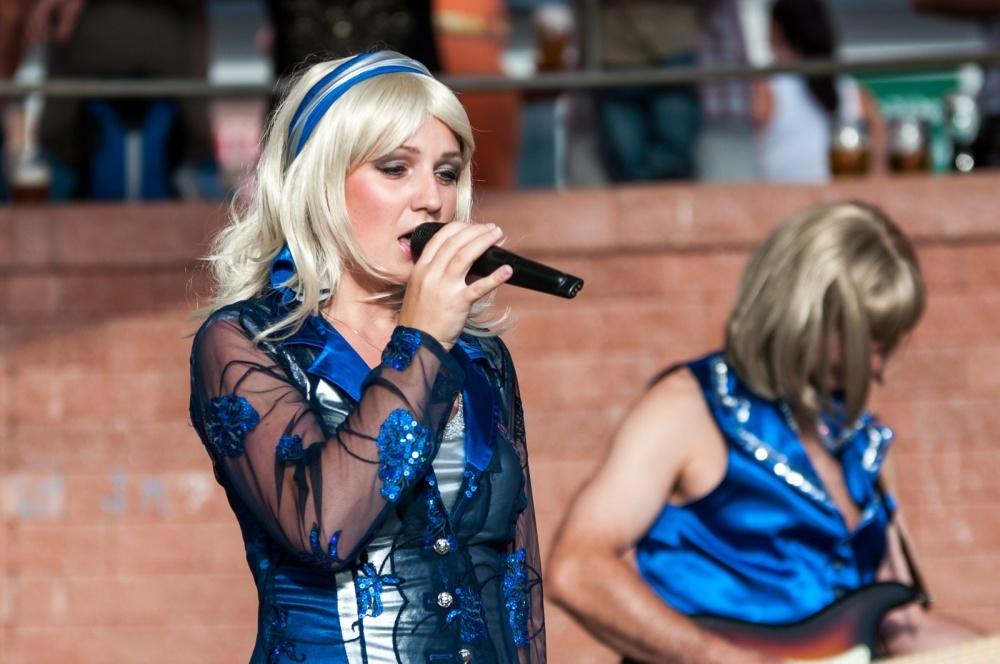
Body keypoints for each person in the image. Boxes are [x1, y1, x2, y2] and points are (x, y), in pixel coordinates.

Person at [189, 51, 545, 663]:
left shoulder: (481, 357)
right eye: (395, 168)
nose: (430, 199)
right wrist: (422, 341)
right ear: (321, 180)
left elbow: (516, 586)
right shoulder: (246, 343)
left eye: (447, 173)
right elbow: (323, 527)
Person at [547, 202, 980, 663]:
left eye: (887, 341)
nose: (875, 363)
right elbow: (576, 569)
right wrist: (725, 659)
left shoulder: (861, 444)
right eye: (865, 337)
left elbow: (905, 629)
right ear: (802, 316)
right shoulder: (689, 408)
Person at [752, 0, 884, 182]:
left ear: (776, 31)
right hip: (847, 196)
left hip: (787, 197)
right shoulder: (853, 90)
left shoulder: (768, 89)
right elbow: (880, 167)